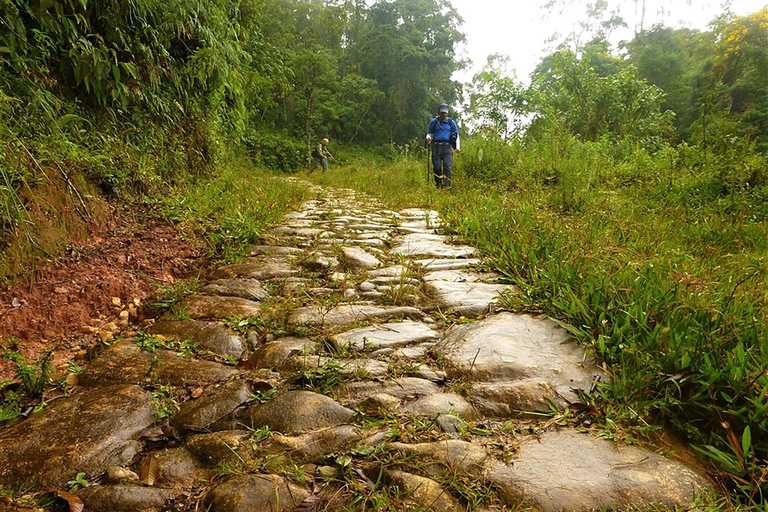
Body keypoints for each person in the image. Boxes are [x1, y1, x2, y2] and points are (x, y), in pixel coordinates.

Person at [425, 103, 460, 188]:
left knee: (447, 166)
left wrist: (457, 147)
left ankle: (446, 186)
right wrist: (428, 138)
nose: (444, 115)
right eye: (442, 113)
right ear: (439, 113)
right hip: (436, 146)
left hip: (447, 147)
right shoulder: (434, 122)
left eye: (445, 113)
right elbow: (430, 133)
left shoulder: (451, 123)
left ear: (447, 113)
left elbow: (457, 135)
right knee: (437, 167)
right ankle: (438, 185)